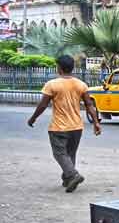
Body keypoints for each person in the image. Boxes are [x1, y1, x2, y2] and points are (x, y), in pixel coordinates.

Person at [28, 55, 101, 191]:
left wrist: (33, 118)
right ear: (72, 68)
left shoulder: (52, 84)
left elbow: (43, 105)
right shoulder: (81, 84)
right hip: (76, 127)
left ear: (59, 68)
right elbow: (89, 105)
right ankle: (68, 179)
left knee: (59, 153)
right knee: (70, 153)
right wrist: (96, 122)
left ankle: (73, 175)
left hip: (58, 127)